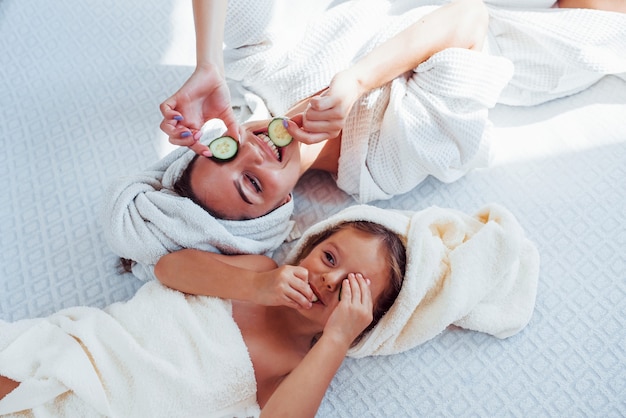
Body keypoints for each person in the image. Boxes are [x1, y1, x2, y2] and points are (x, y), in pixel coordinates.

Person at [0, 203, 540, 416]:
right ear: (307, 246)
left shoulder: (296, 365)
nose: (327, 279)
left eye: (350, 287)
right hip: (84, 351)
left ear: (365, 323)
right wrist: (255, 288)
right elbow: (169, 271)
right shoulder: (255, 270)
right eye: (329, 256)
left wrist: (332, 343)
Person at [160, 0, 626, 204]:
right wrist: (358, 81)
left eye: (225, 153)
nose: (252, 155)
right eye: (252, 187)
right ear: (280, 210)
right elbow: (468, 19)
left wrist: (209, 65)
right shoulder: (385, 164)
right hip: (537, 38)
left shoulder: (270, 74)